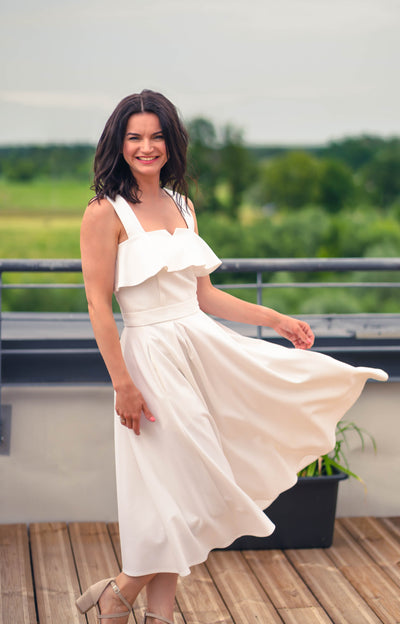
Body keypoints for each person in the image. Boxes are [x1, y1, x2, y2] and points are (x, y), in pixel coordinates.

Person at [77, 89, 388, 624]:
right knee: (180, 491)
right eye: (135, 137)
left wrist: (277, 320)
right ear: (118, 144)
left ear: (171, 144)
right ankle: (122, 591)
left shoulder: (183, 206)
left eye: (156, 136)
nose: (146, 147)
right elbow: (98, 307)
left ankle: (145, 608)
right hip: (149, 359)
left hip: (200, 347)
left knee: (182, 489)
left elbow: (205, 297)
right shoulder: (104, 213)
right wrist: (122, 383)